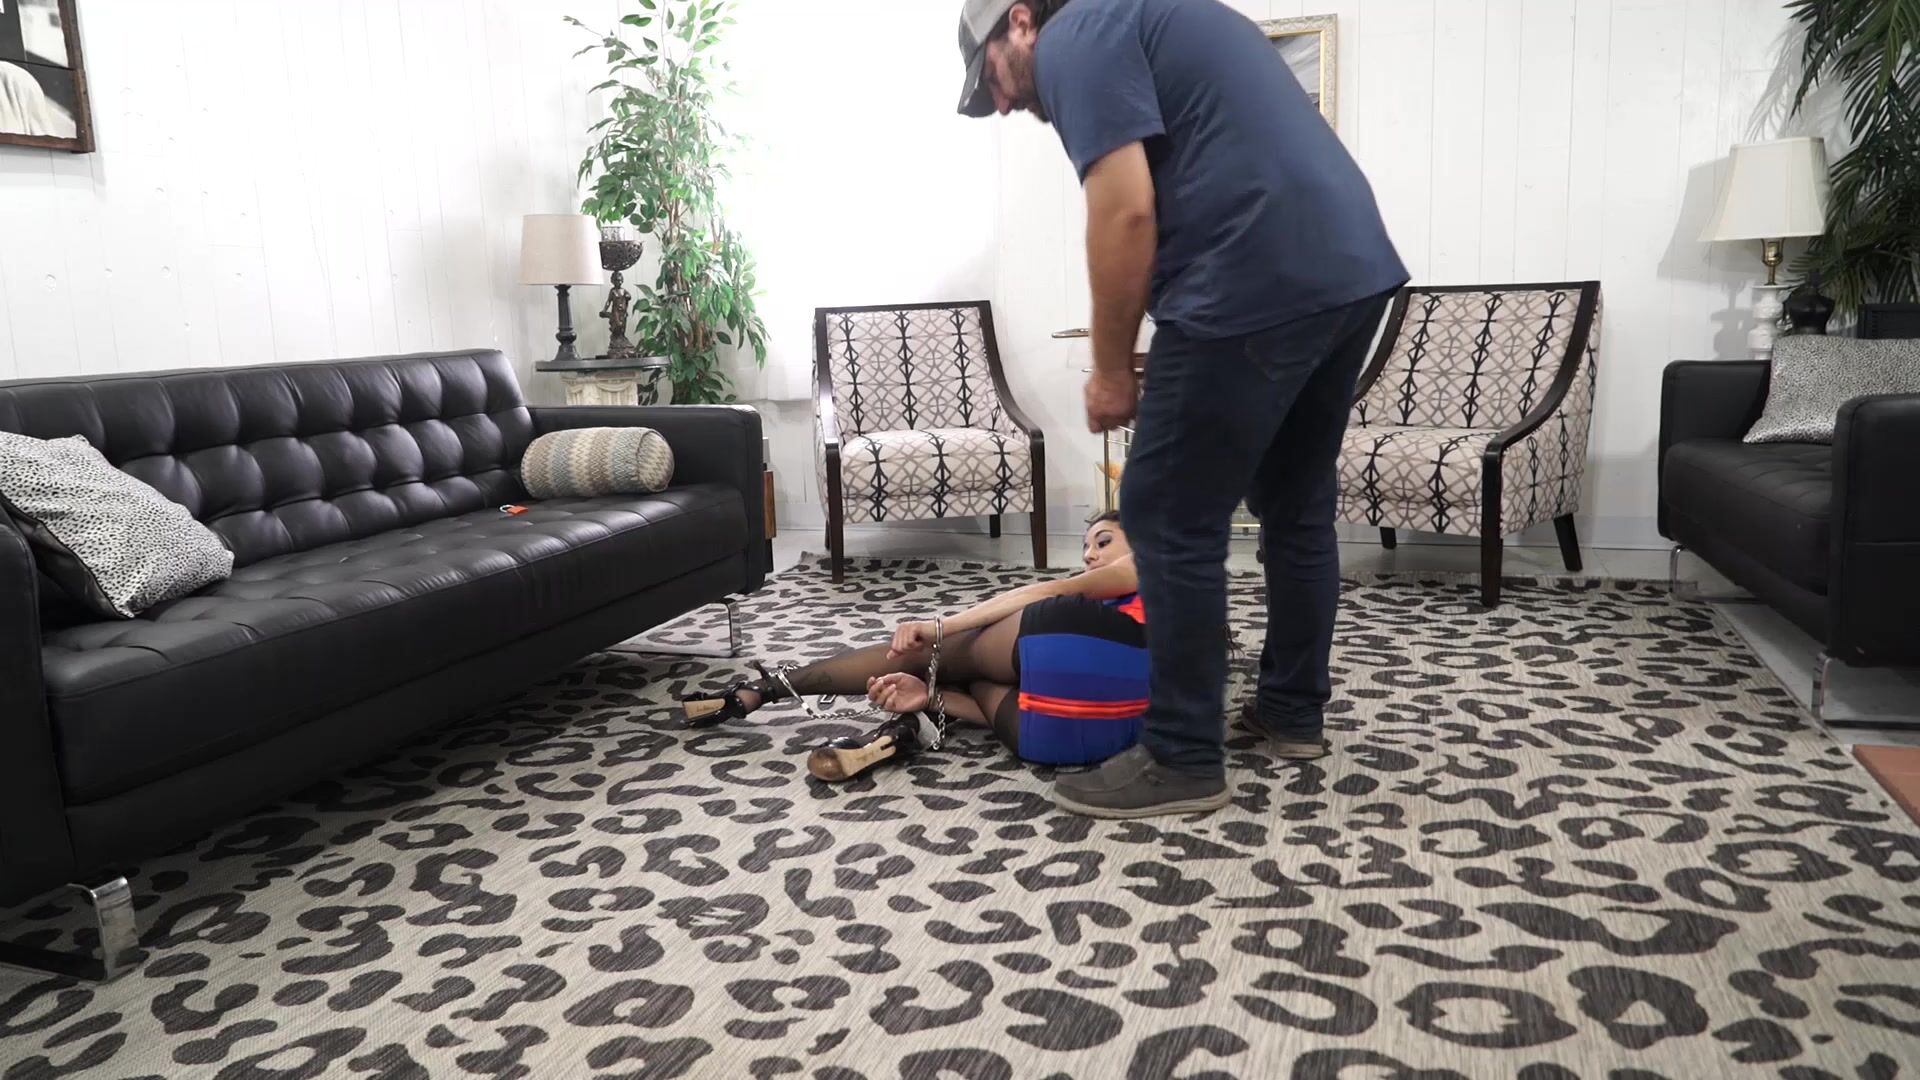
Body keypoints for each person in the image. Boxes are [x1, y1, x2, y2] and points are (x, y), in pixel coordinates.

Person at [955, 0, 1409, 818]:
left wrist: (1109, 368)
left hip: (1250, 270)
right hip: (1349, 265)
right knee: (1296, 501)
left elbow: (1124, 208)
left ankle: (1181, 755)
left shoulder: (1075, 34)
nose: (1004, 104)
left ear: (1018, 21)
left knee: (1164, 510)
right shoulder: (1147, 16)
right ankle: (1291, 711)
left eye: (991, 81)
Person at [681, 514, 1149, 782]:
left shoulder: (1149, 559)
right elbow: (993, 711)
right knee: (961, 678)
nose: (1089, 555)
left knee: (935, 653)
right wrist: (931, 696)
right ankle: (903, 729)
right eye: (1085, 546)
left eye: (1103, 541)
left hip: (1079, 649)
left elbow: (1047, 591)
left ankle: (762, 690)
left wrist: (939, 627)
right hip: (1072, 738)